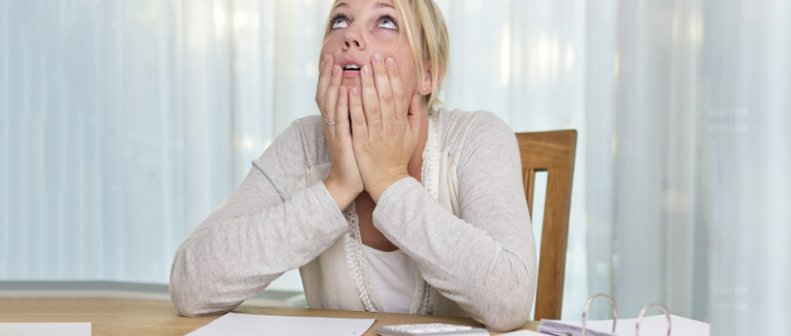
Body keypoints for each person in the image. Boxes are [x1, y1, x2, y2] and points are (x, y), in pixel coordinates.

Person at [169, 0, 535, 331]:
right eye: (340, 20)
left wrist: (389, 182)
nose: (351, 36)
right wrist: (337, 187)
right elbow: (191, 284)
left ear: (428, 75)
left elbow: (510, 299)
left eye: (386, 22)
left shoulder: (477, 138)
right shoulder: (302, 144)